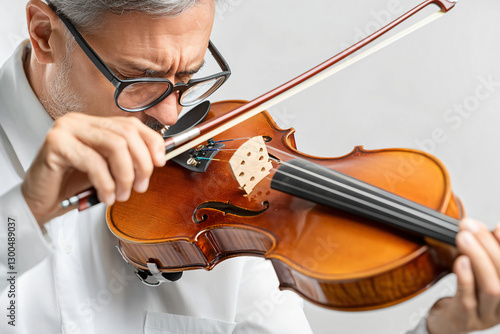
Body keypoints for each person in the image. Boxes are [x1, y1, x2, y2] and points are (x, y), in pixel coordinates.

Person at [0, 0, 499, 333]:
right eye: (139, 79)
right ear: (45, 33)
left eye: (189, 78)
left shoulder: (224, 211)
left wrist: (442, 329)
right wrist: (26, 212)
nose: (172, 116)